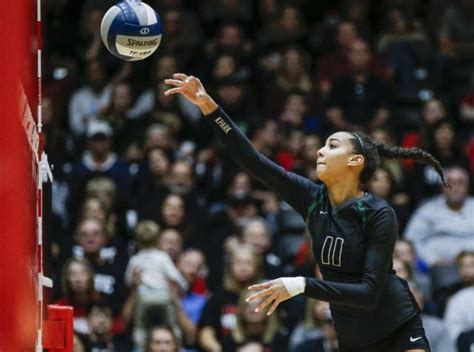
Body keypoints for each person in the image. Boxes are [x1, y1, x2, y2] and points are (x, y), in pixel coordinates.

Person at [163, 73, 451, 351]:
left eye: (332, 146)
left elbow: (368, 293)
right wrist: (208, 106)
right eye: (323, 145)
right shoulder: (312, 198)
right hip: (354, 335)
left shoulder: (378, 212)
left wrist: (301, 284)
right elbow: (252, 159)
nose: (320, 152)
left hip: (396, 323)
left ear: (355, 161)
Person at [124, 220, 188, 349]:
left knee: (140, 327)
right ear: (158, 239)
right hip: (163, 295)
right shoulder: (162, 257)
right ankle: (177, 345)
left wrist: (134, 284)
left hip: (144, 296)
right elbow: (175, 276)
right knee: (172, 325)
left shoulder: (135, 259)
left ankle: (139, 347)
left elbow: (128, 280)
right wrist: (184, 286)